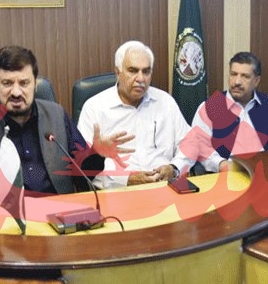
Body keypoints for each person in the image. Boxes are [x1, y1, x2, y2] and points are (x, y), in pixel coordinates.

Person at [0, 45, 127, 197]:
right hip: (3, 224)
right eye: (7, 83)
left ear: (35, 84)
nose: (16, 92)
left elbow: (82, 177)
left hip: (58, 219)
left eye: (24, 83)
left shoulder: (57, 116)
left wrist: (96, 154)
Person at [77, 40, 191, 188]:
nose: (141, 79)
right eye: (133, 71)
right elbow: (83, 167)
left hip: (165, 188)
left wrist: (174, 168)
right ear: (118, 72)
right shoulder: (95, 108)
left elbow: (190, 144)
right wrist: (127, 179)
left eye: (146, 71)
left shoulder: (165, 102)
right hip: (117, 192)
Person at [171, 52, 268, 174]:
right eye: (233, 74)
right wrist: (221, 164)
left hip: (267, 175)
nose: (237, 82)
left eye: (245, 76)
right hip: (226, 177)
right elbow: (200, 145)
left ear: (256, 81)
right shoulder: (210, 107)